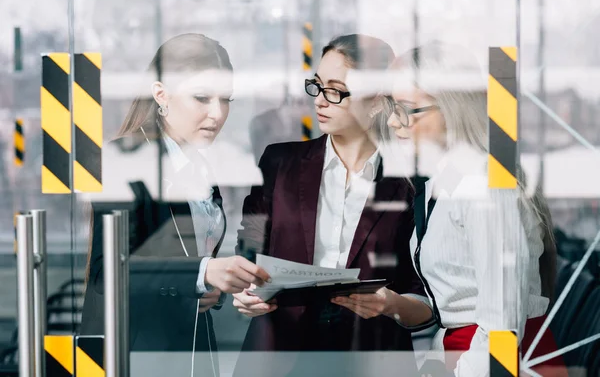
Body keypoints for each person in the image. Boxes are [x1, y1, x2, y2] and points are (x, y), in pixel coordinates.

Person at [233, 34, 433, 376]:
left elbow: (426, 299)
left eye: (336, 90)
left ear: (376, 102)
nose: (320, 102)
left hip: (373, 356)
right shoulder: (280, 163)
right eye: (318, 86)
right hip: (279, 355)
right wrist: (248, 292)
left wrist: (392, 305)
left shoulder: (411, 184)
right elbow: (250, 251)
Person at [80, 33, 270, 377]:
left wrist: (211, 287)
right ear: (161, 94)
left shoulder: (199, 166)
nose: (217, 113)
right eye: (202, 97)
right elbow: (105, 274)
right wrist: (202, 272)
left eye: (225, 99)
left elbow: (190, 260)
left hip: (194, 348)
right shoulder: (126, 161)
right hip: (141, 354)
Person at [384, 42, 565, 376]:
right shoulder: (444, 179)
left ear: (453, 107)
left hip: (499, 363)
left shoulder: (483, 184)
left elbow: (501, 324)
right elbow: (458, 296)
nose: (395, 123)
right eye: (392, 108)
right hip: (467, 355)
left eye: (406, 109)